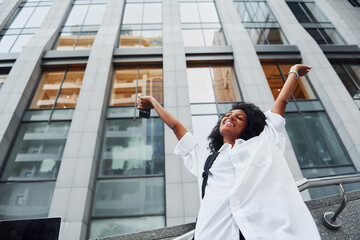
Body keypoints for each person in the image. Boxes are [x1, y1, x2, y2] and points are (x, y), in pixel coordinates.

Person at [137, 64, 321, 240]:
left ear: (249, 127)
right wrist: (153, 102)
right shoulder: (206, 161)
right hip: (214, 234)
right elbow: (176, 127)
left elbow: (282, 101)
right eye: (227, 116)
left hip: (261, 232)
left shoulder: (262, 143)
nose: (230, 117)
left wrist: (293, 71)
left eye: (239, 117)